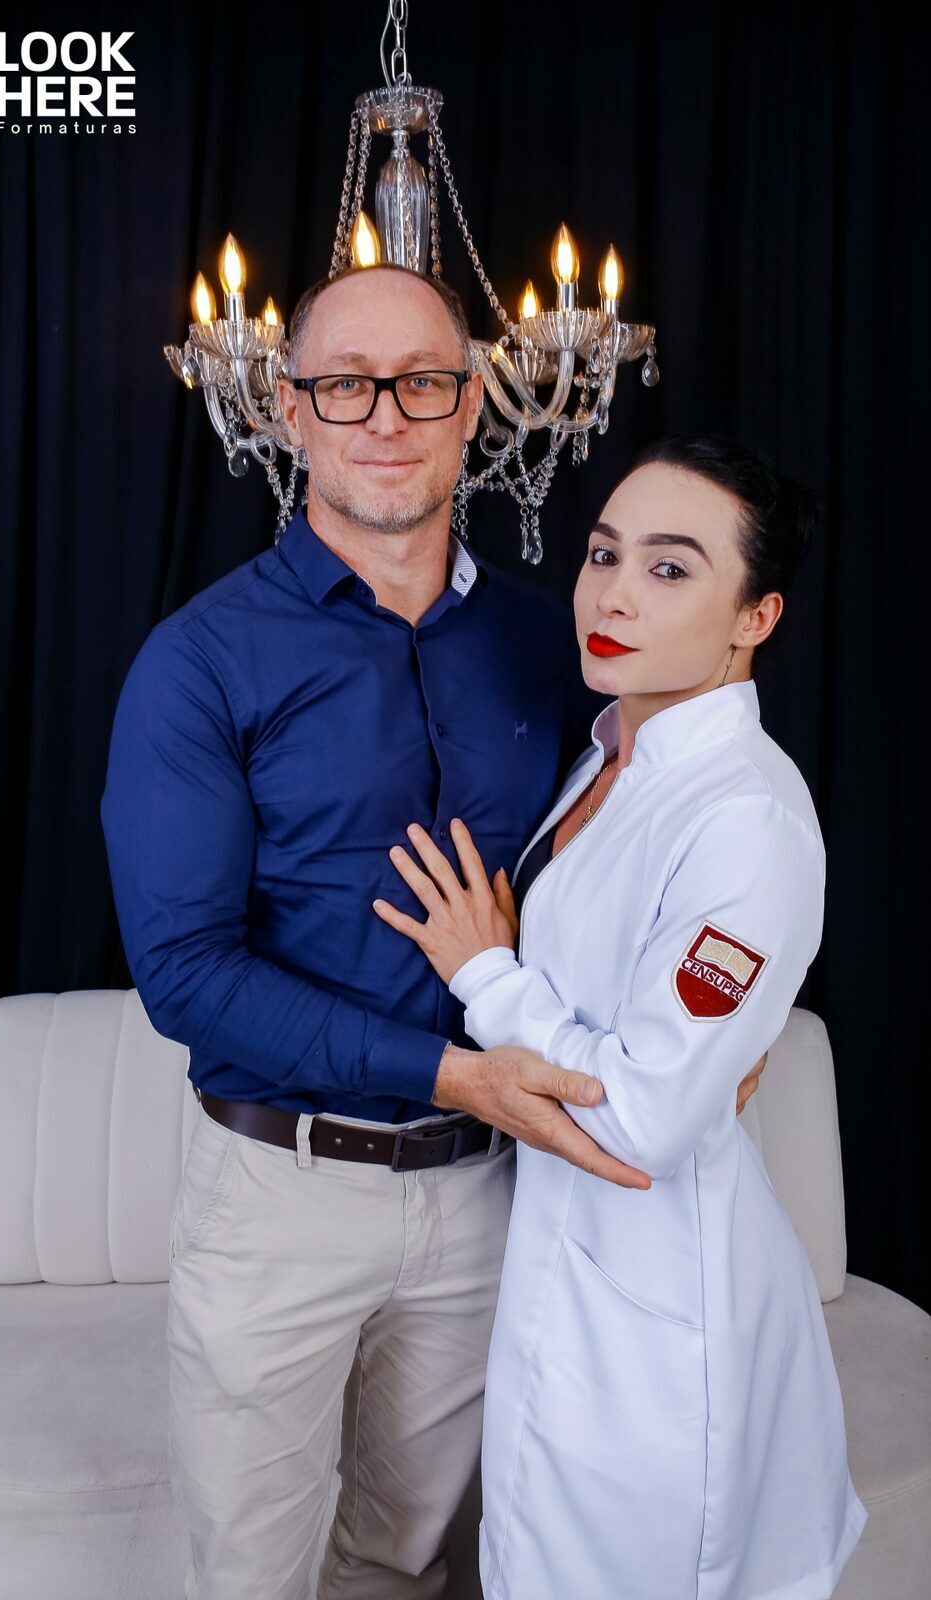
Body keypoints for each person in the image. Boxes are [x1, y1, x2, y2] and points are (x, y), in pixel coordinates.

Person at [100, 266, 765, 1600]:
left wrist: (717, 1024)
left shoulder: (551, 643)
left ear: (473, 407)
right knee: (251, 1576)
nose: (385, 417)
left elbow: (663, 834)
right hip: (280, 1194)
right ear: (291, 411)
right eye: (344, 386)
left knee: (408, 1566)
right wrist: (455, 1073)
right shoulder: (198, 661)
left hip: (493, 1197)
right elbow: (182, 976)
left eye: (422, 382)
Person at [372, 434, 868, 1599]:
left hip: (659, 1323)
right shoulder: (605, 757)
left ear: (754, 615)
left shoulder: (743, 816)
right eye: (603, 554)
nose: (612, 594)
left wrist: (487, 975)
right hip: (554, 1270)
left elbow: (643, 1115)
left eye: (669, 567)